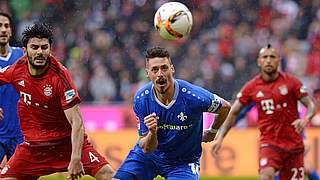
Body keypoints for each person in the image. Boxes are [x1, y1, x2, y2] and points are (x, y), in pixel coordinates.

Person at [0, 22, 115, 179]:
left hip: (66, 144)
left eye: (44, 47)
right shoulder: (16, 70)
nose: (40, 52)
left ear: (50, 50)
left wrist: (75, 157)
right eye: (34, 47)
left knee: (108, 174)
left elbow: (77, 122)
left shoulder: (60, 75)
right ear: (24, 52)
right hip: (33, 148)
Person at [113, 46, 231, 180]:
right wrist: (152, 132)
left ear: (172, 69)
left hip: (183, 162)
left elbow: (225, 107)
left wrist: (213, 131)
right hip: (149, 157)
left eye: (164, 68)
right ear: (148, 74)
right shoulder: (141, 99)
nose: (160, 74)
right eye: (155, 69)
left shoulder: (194, 97)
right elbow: (146, 149)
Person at [210, 44, 316, 180]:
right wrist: (220, 137)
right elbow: (235, 112)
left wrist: (305, 121)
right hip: (269, 142)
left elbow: (311, 105)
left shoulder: (292, 83)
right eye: (265, 57)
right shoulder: (252, 87)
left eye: (272, 57)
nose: (268, 60)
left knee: (306, 168)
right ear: (259, 62)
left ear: (279, 61)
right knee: (266, 175)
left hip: (293, 143)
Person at [0, 12, 24, 168]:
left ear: (11, 31)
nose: (3, 29)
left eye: (6, 26)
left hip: (20, 134)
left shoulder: (22, 56)